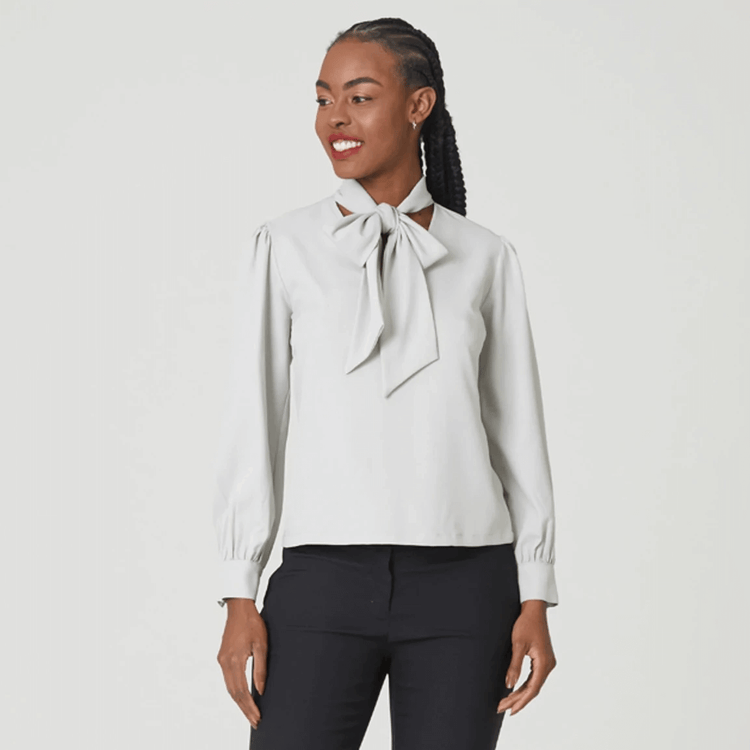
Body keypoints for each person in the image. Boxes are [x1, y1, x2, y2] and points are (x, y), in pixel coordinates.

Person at [213, 17, 559, 750]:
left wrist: (535, 589)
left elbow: (518, 433)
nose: (334, 117)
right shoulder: (285, 246)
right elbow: (255, 419)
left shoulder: (485, 256)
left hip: (467, 587)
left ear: (418, 105)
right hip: (321, 578)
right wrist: (239, 586)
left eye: (360, 97)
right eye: (323, 99)